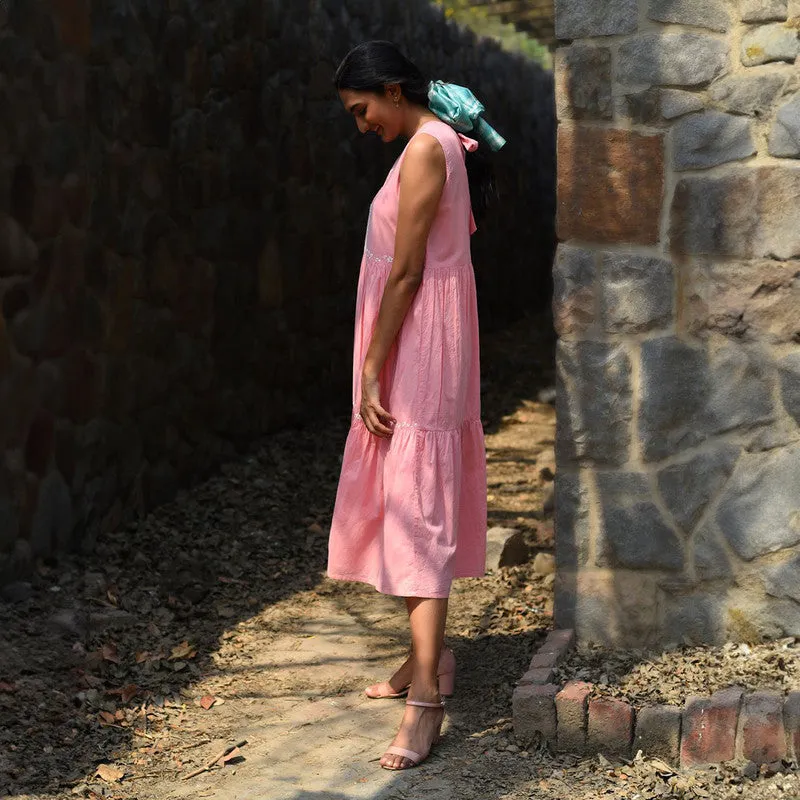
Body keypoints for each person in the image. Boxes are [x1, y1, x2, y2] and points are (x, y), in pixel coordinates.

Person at [326, 40, 505, 771]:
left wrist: (372, 366)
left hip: (418, 345)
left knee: (416, 511)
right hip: (421, 337)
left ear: (395, 90)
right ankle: (426, 659)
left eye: (362, 110)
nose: (361, 124)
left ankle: (426, 698)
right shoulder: (435, 142)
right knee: (407, 500)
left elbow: (405, 275)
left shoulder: (430, 149)